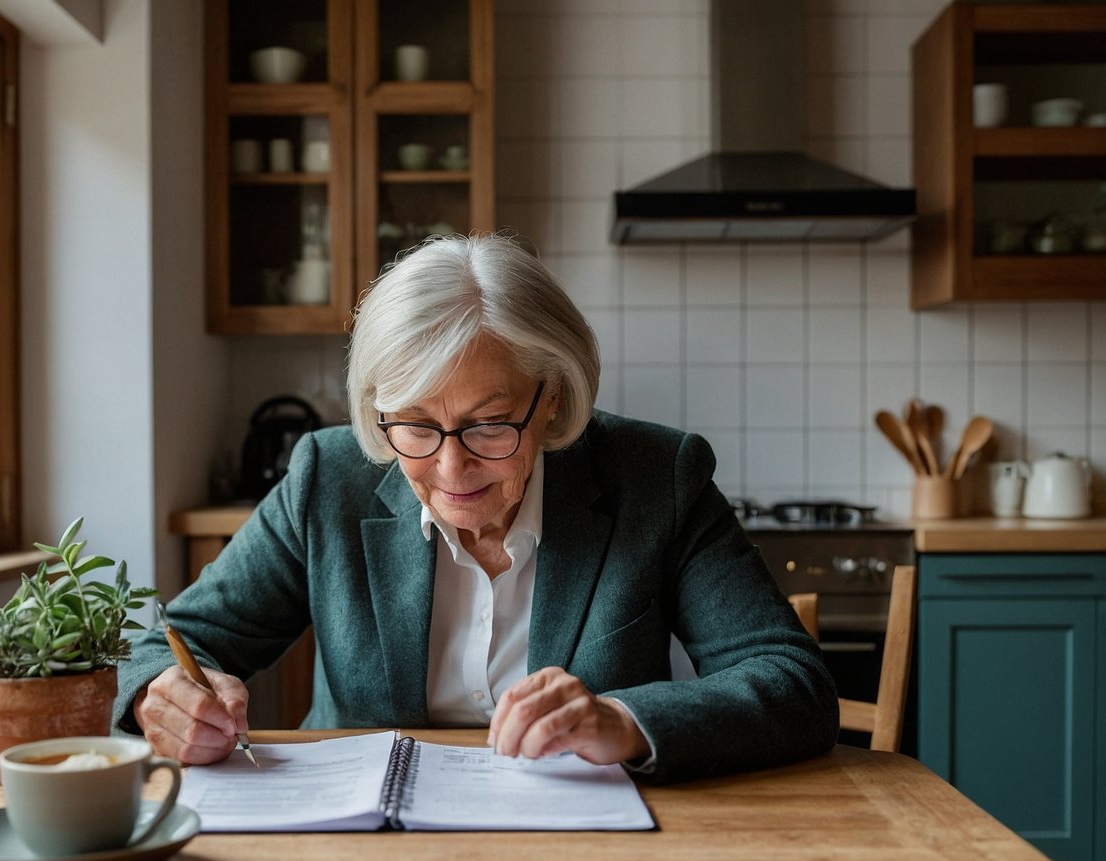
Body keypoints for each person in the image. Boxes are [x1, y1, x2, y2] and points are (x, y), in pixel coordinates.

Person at [115, 232, 838, 783]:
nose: (451, 467)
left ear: (551, 397)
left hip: (585, 841)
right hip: (362, 843)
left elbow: (792, 681)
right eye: (415, 425)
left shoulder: (656, 478)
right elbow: (171, 644)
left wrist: (622, 719)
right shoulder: (326, 478)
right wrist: (162, 695)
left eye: (490, 425)